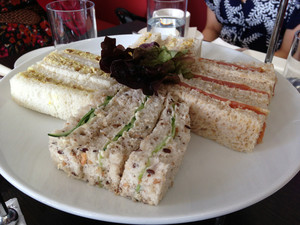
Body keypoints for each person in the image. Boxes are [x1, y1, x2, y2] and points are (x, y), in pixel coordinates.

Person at [202, 0, 300, 59]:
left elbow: (287, 53)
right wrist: (202, 50)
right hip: (218, 57)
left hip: (268, 65)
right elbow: (212, 28)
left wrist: (242, 59)